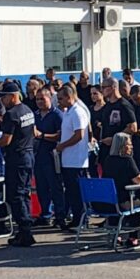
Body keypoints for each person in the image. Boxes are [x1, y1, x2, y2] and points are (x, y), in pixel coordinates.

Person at [0, 82, 37, 247]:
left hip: (16, 158)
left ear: (12, 96)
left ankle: (25, 231)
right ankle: (25, 229)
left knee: (15, 195)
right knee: (24, 193)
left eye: (3, 97)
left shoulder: (11, 114)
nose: (1, 100)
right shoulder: (27, 110)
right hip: (28, 155)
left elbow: (5, 140)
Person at [101, 132, 140, 249]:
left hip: (106, 202)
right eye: (129, 144)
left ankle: (116, 235)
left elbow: (130, 174)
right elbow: (138, 180)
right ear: (122, 146)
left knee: (118, 199)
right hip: (122, 202)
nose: (132, 146)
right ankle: (133, 237)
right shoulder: (127, 160)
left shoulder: (108, 160)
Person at [55, 84, 91, 230]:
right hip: (68, 160)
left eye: (61, 98)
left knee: (77, 192)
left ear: (69, 97)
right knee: (71, 191)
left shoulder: (77, 111)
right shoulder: (68, 111)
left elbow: (79, 135)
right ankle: (76, 218)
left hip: (76, 160)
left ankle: (82, 219)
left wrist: (63, 145)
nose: (59, 101)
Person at [32, 89, 64, 227]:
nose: (39, 102)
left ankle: (60, 216)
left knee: (55, 187)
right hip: (38, 155)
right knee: (41, 187)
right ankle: (45, 214)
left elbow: (60, 136)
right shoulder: (35, 115)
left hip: (52, 155)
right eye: (37, 99)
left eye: (42, 99)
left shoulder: (57, 115)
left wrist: (42, 135)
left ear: (50, 98)